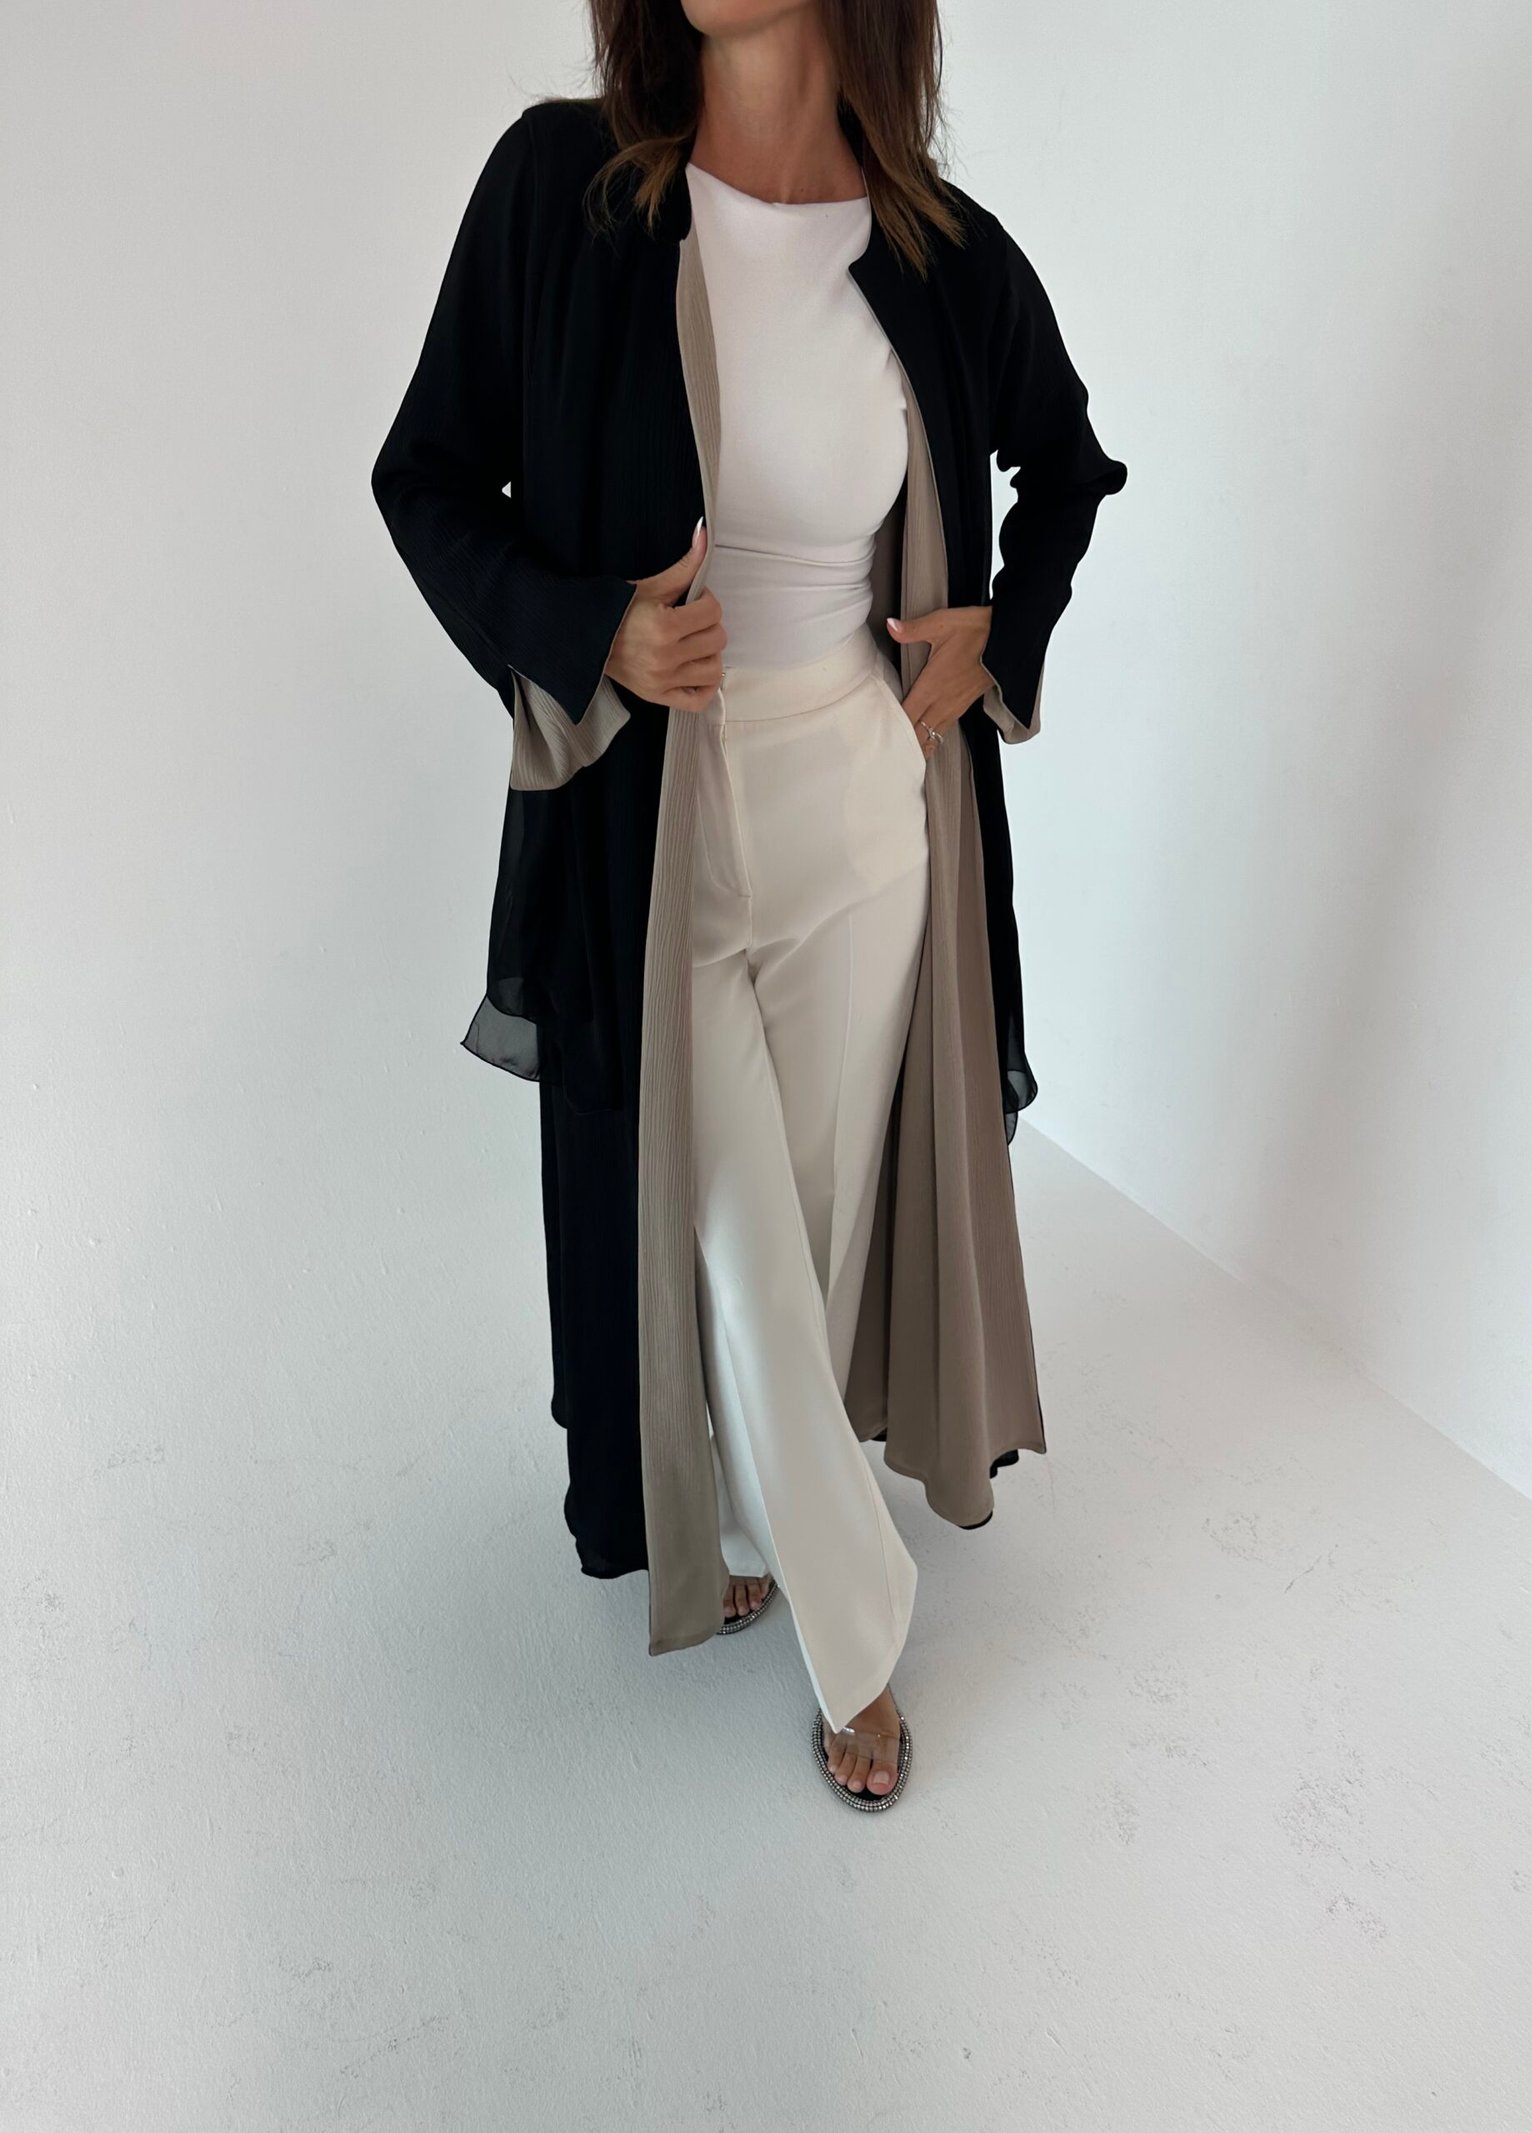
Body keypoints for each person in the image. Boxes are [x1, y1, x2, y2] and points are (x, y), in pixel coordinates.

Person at [370, 0, 1126, 1811]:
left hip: (867, 811)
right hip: (666, 831)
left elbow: (1067, 466)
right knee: (719, 1217)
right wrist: (594, 634)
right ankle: (859, 1634)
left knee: (818, 1220)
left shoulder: (939, 253)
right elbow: (427, 480)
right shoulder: (566, 190)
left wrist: (1001, 633)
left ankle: (748, 1519)